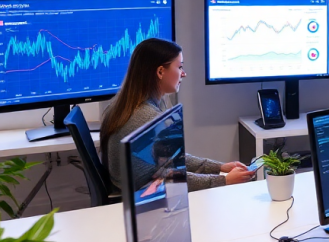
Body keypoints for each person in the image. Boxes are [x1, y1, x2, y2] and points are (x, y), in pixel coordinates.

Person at [100, 38, 255, 192]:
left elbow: (174, 158)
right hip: (142, 199)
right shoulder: (148, 118)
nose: (184, 74)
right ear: (160, 72)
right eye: (180, 67)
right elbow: (172, 178)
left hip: (133, 189)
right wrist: (224, 180)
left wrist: (220, 167)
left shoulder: (124, 104)